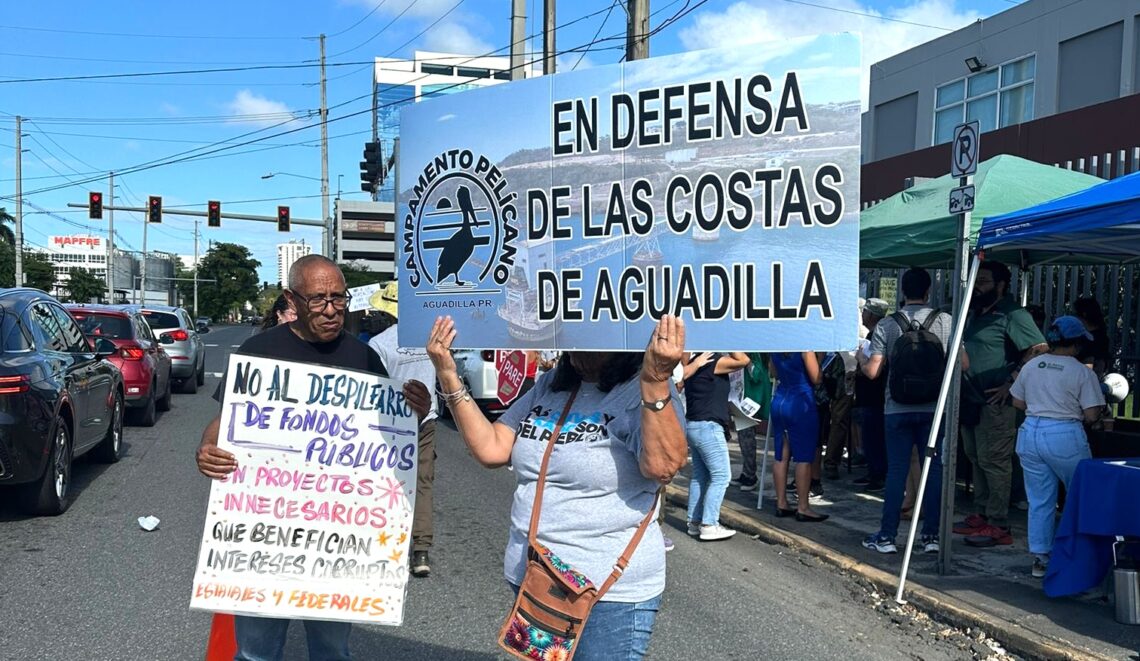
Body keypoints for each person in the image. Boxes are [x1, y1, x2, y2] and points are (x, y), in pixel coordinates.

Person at [195, 255, 430, 661]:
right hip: (266, 536)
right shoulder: (259, 351)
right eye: (318, 299)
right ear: (292, 299)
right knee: (256, 652)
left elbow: (388, 433)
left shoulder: (364, 357)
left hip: (338, 537)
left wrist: (416, 409)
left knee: (332, 651)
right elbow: (226, 422)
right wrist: (206, 450)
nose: (331, 310)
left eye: (339, 299)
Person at [424, 315, 688, 661]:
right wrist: (447, 374)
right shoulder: (552, 383)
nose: (573, 342)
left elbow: (664, 466)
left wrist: (655, 380)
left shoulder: (639, 391)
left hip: (607, 595)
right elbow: (492, 448)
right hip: (537, 581)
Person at [859, 268, 963, 554]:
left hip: (897, 408)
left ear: (903, 292)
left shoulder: (887, 325)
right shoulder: (945, 321)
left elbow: (872, 371)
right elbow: (963, 364)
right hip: (934, 408)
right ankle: (931, 537)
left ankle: (887, 537)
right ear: (929, 291)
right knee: (934, 470)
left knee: (897, 471)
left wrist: (859, 356)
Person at [956, 261, 1048, 546]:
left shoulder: (1013, 314)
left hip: (996, 402)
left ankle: (999, 523)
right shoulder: (974, 312)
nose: (978, 286)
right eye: (976, 280)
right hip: (971, 398)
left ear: (1000, 285)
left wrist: (1013, 381)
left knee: (994, 461)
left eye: (983, 281)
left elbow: (1040, 349)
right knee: (975, 456)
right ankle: (982, 514)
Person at [1010, 315, 1105, 578]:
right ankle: (1077, 554)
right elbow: (1092, 415)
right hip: (1065, 434)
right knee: (1079, 496)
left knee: (1040, 500)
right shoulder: (1080, 372)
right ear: (1075, 344)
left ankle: (1040, 558)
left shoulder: (1032, 365)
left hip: (1030, 433)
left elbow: (1017, 401)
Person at [367, 281, 439, 578]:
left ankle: (386, 547)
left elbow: (376, 387)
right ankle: (420, 551)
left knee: (386, 484)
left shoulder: (380, 344)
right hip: (426, 419)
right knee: (422, 484)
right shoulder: (431, 339)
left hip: (390, 424)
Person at [682, 351, 750, 541]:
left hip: (694, 424)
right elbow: (743, 360)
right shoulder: (712, 361)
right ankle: (709, 524)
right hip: (709, 426)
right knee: (721, 476)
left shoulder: (694, 362)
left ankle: (694, 522)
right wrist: (728, 339)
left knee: (700, 476)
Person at [769, 351, 828, 522]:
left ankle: (781, 502)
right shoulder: (804, 349)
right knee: (803, 457)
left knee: (781, 455)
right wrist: (820, 358)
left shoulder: (775, 347)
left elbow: (773, 373)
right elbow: (817, 378)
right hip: (801, 401)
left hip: (780, 399)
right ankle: (803, 507)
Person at [852, 298, 889, 492]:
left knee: (874, 436)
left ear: (872, 315)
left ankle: (878, 474)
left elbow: (876, 370)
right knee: (869, 434)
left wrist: (860, 358)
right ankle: (873, 471)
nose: (863, 316)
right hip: (868, 395)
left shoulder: (878, 336)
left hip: (874, 396)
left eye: (865, 312)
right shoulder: (872, 335)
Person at [730, 353, 771, 493]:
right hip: (743, 397)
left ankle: (750, 474)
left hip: (752, 399)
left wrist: (745, 362)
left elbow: (757, 375)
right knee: (743, 438)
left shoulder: (754, 355)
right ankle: (746, 472)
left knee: (747, 438)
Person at [1073, 296, 1111, 379]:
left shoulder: (1092, 339)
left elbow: (1095, 365)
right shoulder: (1101, 336)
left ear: (1083, 314)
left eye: (1075, 314)